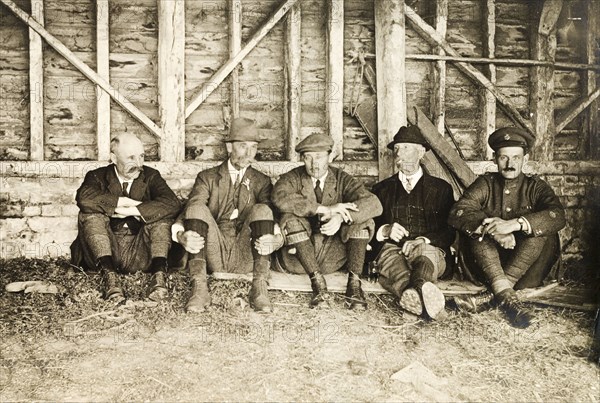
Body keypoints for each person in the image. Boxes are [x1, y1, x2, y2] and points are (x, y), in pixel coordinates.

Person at [449, 127, 565, 328]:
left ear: (525, 160)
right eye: (504, 158)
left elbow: (557, 216)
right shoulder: (486, 183)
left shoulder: (536, 186)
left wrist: (515, 224)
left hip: (528, 269)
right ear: (495, 159)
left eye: (516, 158)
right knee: (477, 232)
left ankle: (499, 292)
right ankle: (507, 296)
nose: (510, 164)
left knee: (539, 231)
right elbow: (459, 211)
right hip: (489, 266)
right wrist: (495, 231)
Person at [172, 118, 283, 313]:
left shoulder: (261, 181)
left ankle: (259, 288)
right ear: (229, 147)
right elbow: (191, 208)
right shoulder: (208, 177)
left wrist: (277, 239)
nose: (249, 153)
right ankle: (199, 288)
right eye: (242, 146)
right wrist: (181, 236)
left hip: (247, 250)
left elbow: (270, 216)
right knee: (197, 208)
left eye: (253, 147)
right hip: (214, 250)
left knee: (263, 210)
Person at [271, 133, 383, 309]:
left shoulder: (342, 178)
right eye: (308, 158)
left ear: (330, 156)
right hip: (299, 257)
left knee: (362, 218)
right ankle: (318, 286)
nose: (314, 164)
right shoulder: (292, 177)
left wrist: (340, 216)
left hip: (333, 256)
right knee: (289, 217)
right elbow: (279, 197)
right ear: (302, 159)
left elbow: (373, 203)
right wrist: (325, 209)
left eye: (319, 157)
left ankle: (354, 286)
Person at [71, 133, 181, 302]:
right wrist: (122, 201)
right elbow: (84, 199)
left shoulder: (151, 175)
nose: (138, 164)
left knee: (162, 218)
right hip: (104, 252)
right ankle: (110, 279)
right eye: (131, 158)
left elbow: (172, 204)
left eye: (141, 156)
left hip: (140, 254)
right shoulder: (96, 176)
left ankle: (158, 278)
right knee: (90, 215)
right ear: (113, 158)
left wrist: (133, 210)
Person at [369, 126, 455, 320]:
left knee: (424, 256)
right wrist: (385, 230)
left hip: (428, 250)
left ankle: (414, 296)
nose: (400, 154)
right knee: (394, 266)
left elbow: (450, 232)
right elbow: (371, 226)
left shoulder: (441, 189)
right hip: (393, 249)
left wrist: (424, 240)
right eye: (397, 149)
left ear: (421, 152)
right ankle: (422, 299)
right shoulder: (381, 189)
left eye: (407, 148)